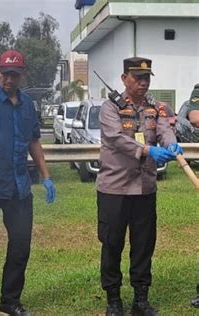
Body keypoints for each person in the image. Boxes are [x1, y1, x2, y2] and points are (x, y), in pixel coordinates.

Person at [0, 50, 56, 316]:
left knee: (20, 244)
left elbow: (34, 142)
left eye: (15, 75)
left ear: (21, 75)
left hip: (19, 188)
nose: (9, 79)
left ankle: (10, 302)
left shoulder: (27, 105)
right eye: (5, 74)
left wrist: (47, 177)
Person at [96, 57, 183, 316]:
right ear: (125, 79)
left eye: (146, 78)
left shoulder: (154, 108)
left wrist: (171, 143)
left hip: (144, 189)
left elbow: (165, 129)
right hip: (115, 188)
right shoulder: (109, 108)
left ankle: (140, 300)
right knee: (112, 244)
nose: (143, 83)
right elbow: (116, 138)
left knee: (144, 244)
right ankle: (113, 300)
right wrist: (147, 150)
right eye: (138, 78)